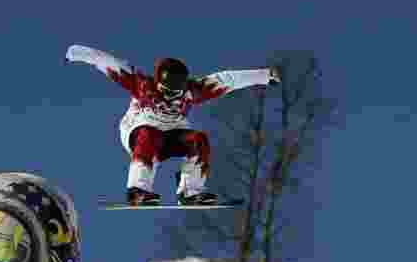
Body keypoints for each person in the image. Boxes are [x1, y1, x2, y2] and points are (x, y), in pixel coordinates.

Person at [65, 44, 281, 206]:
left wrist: (263, 76)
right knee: (150, 135)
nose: (171, 98)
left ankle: (190, 191)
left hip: (172, 133)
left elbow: (227, 80)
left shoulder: (193, 90)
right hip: (140, 130)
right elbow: (109, 63)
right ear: (158, 83)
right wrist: (78, 53)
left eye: (176, 94)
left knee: (198, 140)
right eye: (166, 92)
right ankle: (138, 189)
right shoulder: (142, 85)